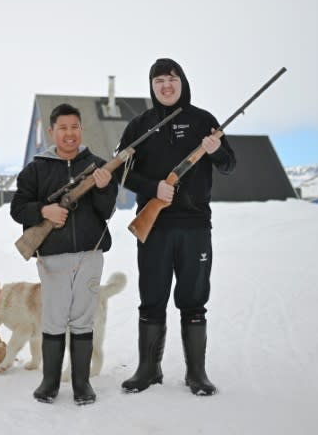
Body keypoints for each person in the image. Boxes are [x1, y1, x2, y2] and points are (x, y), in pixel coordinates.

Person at [117, 58, 236, 396]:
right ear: (152, 87)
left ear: (182, 81)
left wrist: (215, 152)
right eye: (159, 81)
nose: (166, 86)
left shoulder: (204, 121)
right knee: (151, 299)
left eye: (172, 78)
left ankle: (196, 374)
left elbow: (230, 164)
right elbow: (120, 171)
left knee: (193, 299)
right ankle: (148, 370)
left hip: (195, 226)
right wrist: (153, 188)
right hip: (154, 227)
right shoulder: (139, 125)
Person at [10, 103, 118, 406]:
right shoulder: (35, 169)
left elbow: (106, 211)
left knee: (84, 319)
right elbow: (18, 208)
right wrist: (44, 210)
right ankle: (50, 381)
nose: (69, 134)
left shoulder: (97, 165)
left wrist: (104, 188)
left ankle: (82, 383)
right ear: (51, 131)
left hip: (90, 253)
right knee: (55, 320)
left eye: (75, 127)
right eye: (63, 128)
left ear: (81, 129)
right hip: (53, 258)